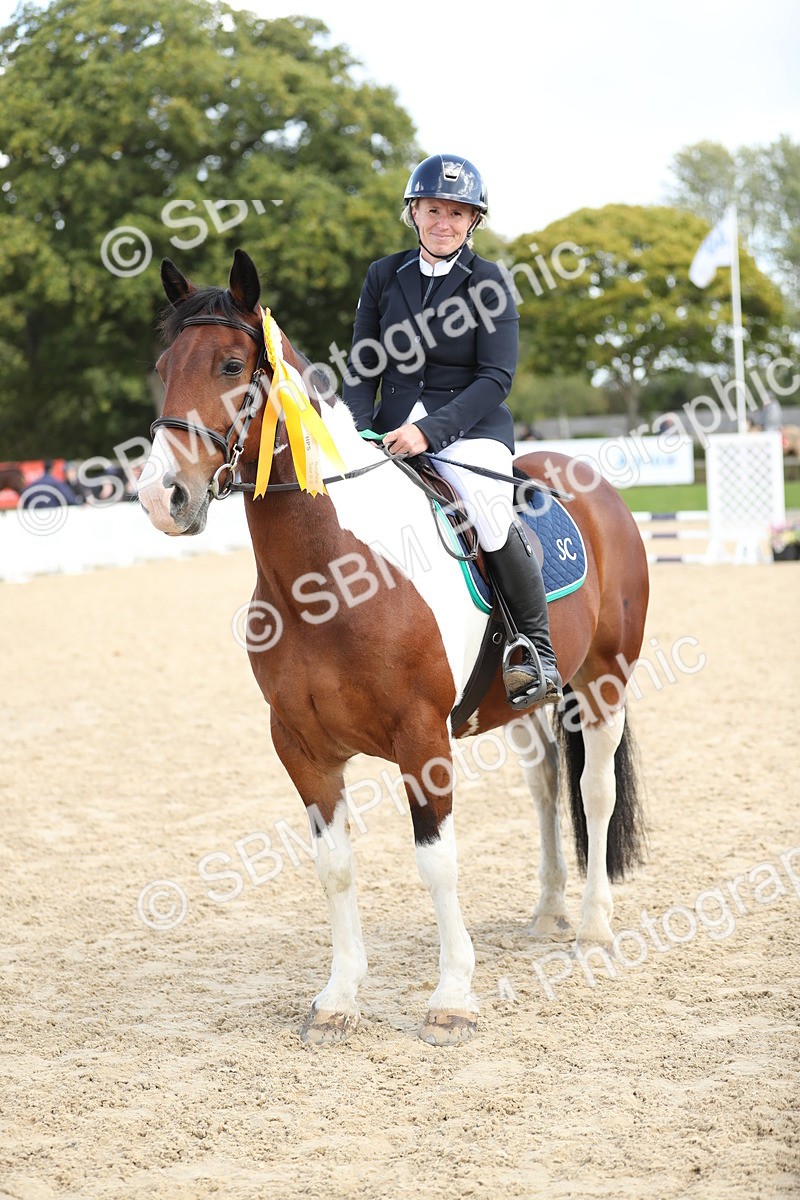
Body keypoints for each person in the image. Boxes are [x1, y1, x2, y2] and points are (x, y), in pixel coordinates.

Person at [341, 153, 562, 708]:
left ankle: (535, 649)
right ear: (413, 212)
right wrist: (355, 429)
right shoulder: (382, 275)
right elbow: (362, 364)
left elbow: (496, 378)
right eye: (434, 209)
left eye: (458, 213)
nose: (444, 222)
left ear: (473, 222)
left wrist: (430, 433)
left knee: (487, 516)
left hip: (471, 427)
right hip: (390, 430)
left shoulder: (490, 282)